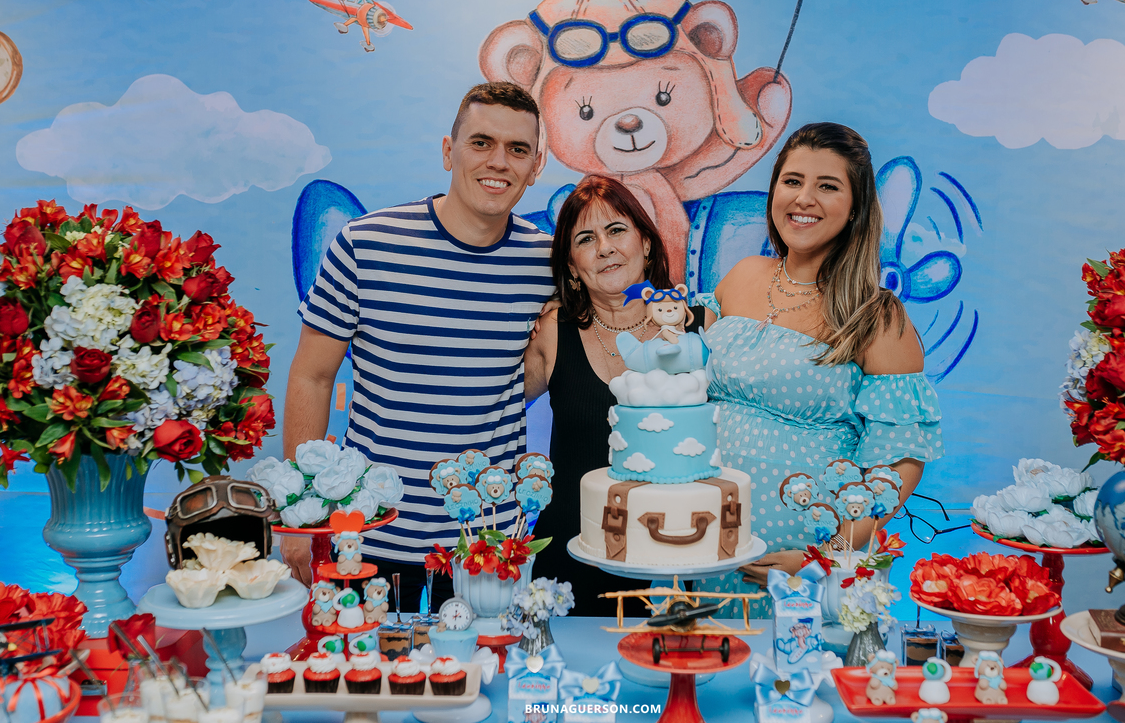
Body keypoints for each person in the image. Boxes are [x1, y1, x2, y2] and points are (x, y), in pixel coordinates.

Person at [283, 82, 555, 611]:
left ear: (535, 166)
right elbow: (311, 377)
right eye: (481, 142)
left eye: (518, 149)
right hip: (366, 538)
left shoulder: (546, 262)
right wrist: (300, 511)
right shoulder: (366, 244)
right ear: (449, 151)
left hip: (488, 549)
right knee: (362, 664)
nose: (499, 162)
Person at [694, 122, 944, 613]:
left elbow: (899, 463)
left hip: (800, 568)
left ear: (856, 208)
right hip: (702, 544)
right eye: (792, 181)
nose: (803, 198)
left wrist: (826, 556)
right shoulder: (741, 277)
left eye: (827, 186)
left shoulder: (876, 316)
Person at [524, 175, 708, 615]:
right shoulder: (552, 332)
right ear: (572, 266)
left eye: (617, 230)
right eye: (586, 239)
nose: (604, 247)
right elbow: (494, 406)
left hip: (675, 558)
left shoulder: (700, 328)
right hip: (567, 560)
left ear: (646, 243)